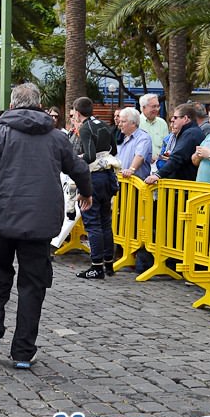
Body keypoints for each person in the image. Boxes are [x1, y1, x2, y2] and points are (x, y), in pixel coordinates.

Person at [0, 83, 92, 370]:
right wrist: (86, 193)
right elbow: (79, 169)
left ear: (12, 105)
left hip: (1, 220)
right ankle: (23, 351)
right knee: (32, 286)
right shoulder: (56, 137)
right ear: (39, 105)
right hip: (39, 225)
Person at [73, 97, 118, 280]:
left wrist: (74, 159)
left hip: (94, 177)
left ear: (77, 112)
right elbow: (113, 150)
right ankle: (109, 263)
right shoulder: (104, 125)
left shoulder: (85, 128)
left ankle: (96, 266)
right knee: (105, 221)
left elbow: (90, 156)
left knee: (92, 223)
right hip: (108, 175)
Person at [144, 103, 204, 184]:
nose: (173, 121)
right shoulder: (189, 132)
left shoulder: (190, 133)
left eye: (175, 118)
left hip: (184, 186)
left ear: (185, 118)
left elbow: (178, 157)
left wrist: (158, 175)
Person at [117, 107, 152, 180]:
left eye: (123, 122)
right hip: (121, 183)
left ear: (133, 123)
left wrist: (131, 170)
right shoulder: (121, 137)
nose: (119, 124)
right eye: (119, 121)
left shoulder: (143, 138)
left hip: (136, 186)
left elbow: (140, 156)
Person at [138, 93, 169, 165]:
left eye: (158, 106)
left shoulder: (162, 123)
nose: (157, 109)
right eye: (153, 106)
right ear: (143, 107)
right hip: (141, 166)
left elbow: (166, 146)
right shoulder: (135, 122)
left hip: (159, 165)